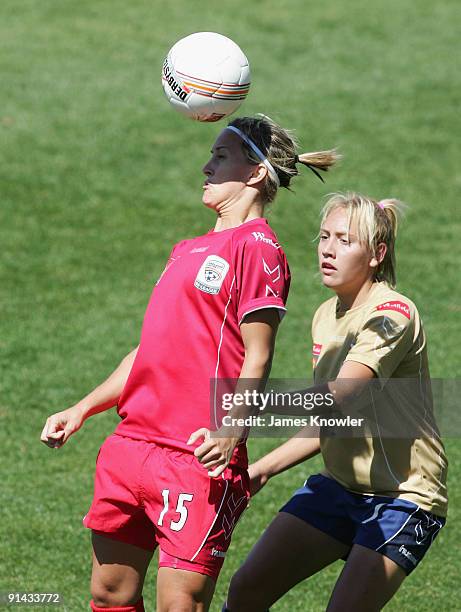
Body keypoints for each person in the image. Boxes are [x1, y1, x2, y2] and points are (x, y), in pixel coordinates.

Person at [40, 115, 338, 612]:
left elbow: (258, 354)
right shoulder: (186, 249)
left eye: (221, 156)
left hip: (196, 454)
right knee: (108, 594)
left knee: (181, 607)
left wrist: (230, 430)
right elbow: (148, 351)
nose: (206, 166)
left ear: (256, 173)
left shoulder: (258, 249)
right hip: (132, 445)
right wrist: (83, 408)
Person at [226, 192, 448, 612]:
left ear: (377, 253)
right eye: (324, 237)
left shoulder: (393, 314)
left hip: (403, 498)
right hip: (340, 487)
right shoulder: (326, 314)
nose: (327, 249)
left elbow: (341, 396)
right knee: (246, 590)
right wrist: (263, 469)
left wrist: (254, 402)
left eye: (345, 241)